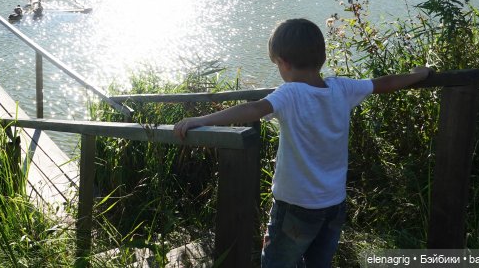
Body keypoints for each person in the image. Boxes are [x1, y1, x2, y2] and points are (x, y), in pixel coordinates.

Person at [173, 18, 432, 268]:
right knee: (319, 263)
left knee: (277, 262)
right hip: (334, 203)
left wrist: (201, 119)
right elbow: (384, 83)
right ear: (323, 57)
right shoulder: (342, 88)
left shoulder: (290, 93)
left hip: (296, 207)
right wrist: (418, 75)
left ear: (283, 63)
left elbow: (253, 109)